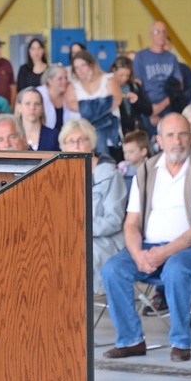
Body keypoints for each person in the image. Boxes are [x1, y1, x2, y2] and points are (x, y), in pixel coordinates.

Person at [100, 113, 191, 361]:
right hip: (147, 245)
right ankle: (131, 340)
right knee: (113, 269)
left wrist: (162, 253)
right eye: (170, 135)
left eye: (182, 134)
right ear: (159, 140)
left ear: (190, 137)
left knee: (175, 269)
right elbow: (131, 222)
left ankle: (181, 341)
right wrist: (137, 254)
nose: (177, 141)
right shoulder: (145, 171)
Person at [60, 118, 127, 295]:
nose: (76, 146)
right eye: (70, 142)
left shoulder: (109, 174)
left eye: (81, 140)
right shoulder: (58, 175)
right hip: (68, 237)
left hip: (104, 240)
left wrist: (79, 228)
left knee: (73, 255)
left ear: (91, 143)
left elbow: (114, 221)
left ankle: (75, 308)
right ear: (64, 147)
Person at [66, 50, 122, 155]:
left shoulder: (108, 79)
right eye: (76, 67)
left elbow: (115, 100)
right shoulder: (73, 86)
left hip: (110, 135)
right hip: (84, 139)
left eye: (83, 65)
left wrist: (86, 108)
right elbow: (71, 105)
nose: (80, 70)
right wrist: (103, 105)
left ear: (91, 65)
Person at [133, 21, 182, 124]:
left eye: (164, 32)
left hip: (168, 106)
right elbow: (138, 86)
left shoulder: (171, 58)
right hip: (147, 108)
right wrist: (150, 111)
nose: (161, 35)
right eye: (157, 32)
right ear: (150, 36)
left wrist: (160, 107)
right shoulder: (140, 57)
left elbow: (178, 85)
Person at [111, 55, 153, 138]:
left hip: (135, 130)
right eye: (121, 75)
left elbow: (149, 110)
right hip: (117, 132)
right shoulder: (107, 87)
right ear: (113, 71)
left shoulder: (134, 86)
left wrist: (137, 101)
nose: (124, 78)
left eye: (127, 75)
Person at [16, 87, 60, 151]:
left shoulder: (54, 136)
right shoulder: (13, 136)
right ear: (19, 107)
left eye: (37, 104)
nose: (32, 108)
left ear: (42, 108)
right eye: (27, 104)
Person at [37, 63, 69, 130]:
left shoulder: (68, 93)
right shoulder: (38, 94)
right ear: (50, 81)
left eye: (66, 78)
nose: (65, 81)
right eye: (60, 79)